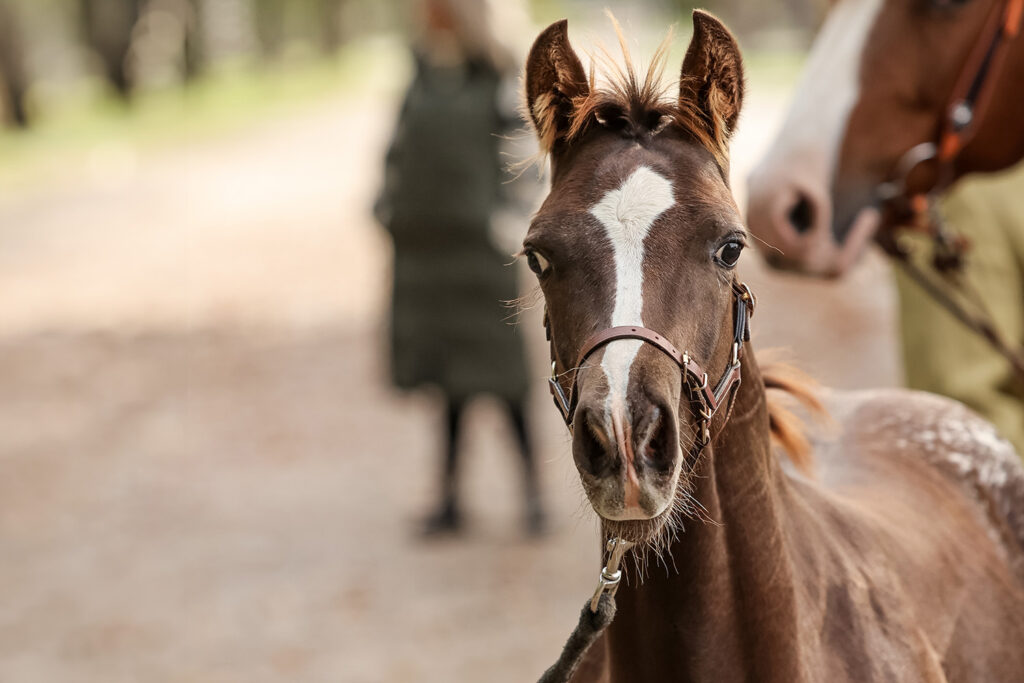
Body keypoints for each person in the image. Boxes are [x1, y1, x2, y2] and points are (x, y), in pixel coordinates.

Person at [374, 0, 544, 535]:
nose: (429, 15)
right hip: (427, 258)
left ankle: (533, 498)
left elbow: (527, 155)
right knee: (448, 382)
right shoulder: (421, 75)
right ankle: (450, 499)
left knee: (504, 381)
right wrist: (386, 206)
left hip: (479, 257)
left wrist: (510, 222)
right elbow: (397, 153)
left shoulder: (498, 77)